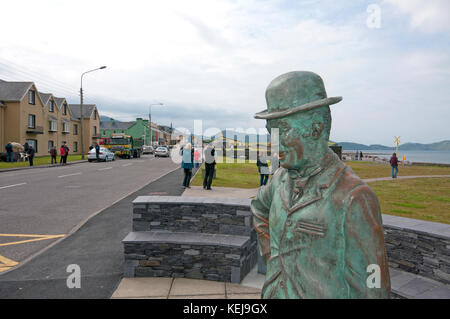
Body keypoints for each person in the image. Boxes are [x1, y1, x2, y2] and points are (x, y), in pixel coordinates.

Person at [251, 71, 390, 298]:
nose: (272, 144)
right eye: (270, 133)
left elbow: (374, 287)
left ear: (316, 129)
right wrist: (272, 256)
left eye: (282, 131)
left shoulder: (354, 197)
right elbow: (259, 208)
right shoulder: (279, 179)